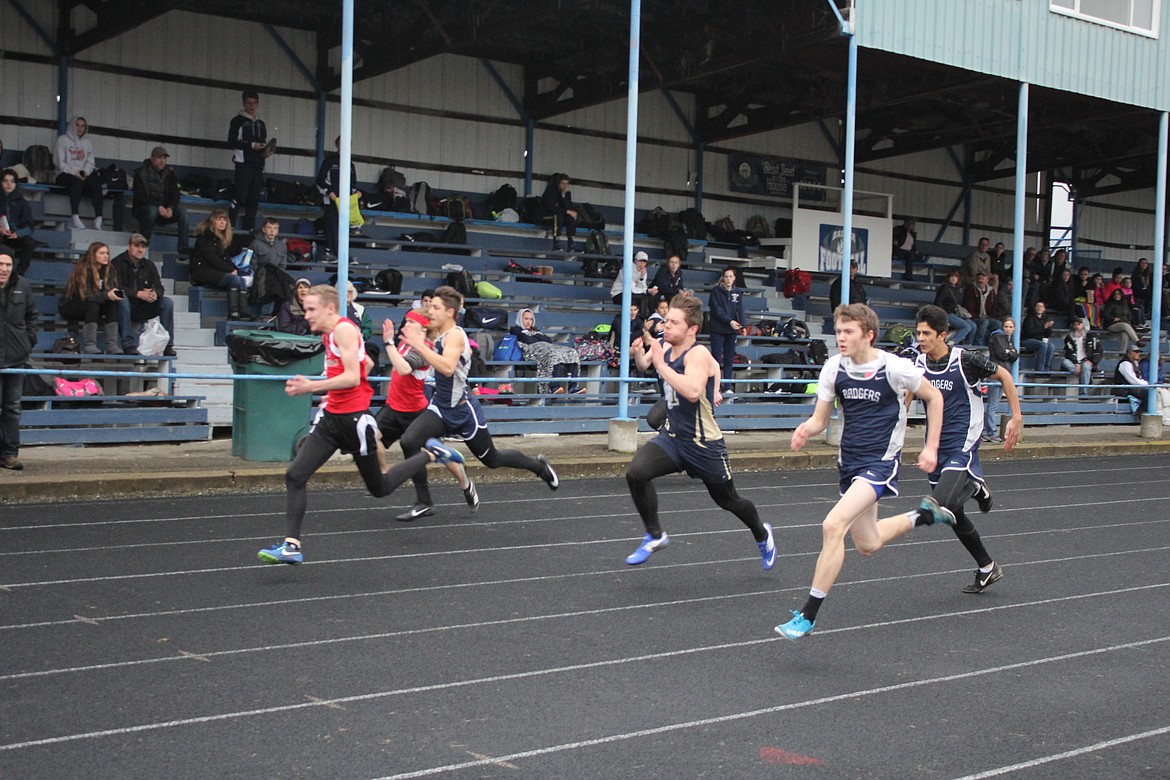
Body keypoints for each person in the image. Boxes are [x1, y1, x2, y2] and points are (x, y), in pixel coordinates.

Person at [257, 285, 461, 565]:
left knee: (381, 488)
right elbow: (363, 364)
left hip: (354, 422)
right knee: (295, 475)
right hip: (332, 419)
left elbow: (353, 376)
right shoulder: (330, 334)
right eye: (305, 309)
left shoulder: (344, 329)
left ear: (330, 308)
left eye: (312, 309)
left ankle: (430, 454)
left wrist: (314, 386)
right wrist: (333, 391)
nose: (307, 316)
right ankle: (292, 545)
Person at [775, 303, 944, 640]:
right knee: (868, 543)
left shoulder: (894, 368)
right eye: (838, 331)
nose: (840, 337)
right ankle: (925, 515)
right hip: (849, 461)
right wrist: (805, 430)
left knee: (833, 524)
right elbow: (821, 420)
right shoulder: (833, 368)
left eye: (848, 331)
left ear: (868, 335)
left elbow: (934, 397)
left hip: (880, 462)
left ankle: (808, 615)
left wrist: (931, 447)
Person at [622, 293, 776, 568]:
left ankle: (762, 534)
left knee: (729, 501)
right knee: (636, 473)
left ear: (692, 329)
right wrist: (638, 354)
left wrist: (660, 364)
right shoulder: (662, 344)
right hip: (673, 438)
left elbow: (693, 391)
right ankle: (655, 535)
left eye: (673, 323)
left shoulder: (699, 354)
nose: (666, 326)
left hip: (704, 444)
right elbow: (645, 364)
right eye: (666, 320)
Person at [894, 305, 1022, 593]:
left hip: (964, 438)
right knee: (955, 514)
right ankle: (987, 567)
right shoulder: (918, 364)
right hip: (935, 442)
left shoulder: (966, 361)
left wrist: (1016, 417)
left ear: (943, 334)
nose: (921, 338)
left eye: (926, 333)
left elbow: (1005, 376)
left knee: (936, 505)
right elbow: (909, 393)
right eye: (918, 333)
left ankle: (974, 486)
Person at [395, 285, 560, 491]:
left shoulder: (455, 335)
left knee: (492, 459)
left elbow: (447, 368)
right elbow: (418, 328)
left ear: (450, 312)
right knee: (409, 441)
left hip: (463, 411)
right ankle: (423, 500)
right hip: (440, 407)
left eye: (436, 307)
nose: (431, 311)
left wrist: (418, 345)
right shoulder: (437, 330)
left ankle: (539, 467)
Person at [376, 310, 478, 521]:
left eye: (412, 322)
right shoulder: (404, 343)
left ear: (423, 328)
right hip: (393, 408)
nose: (406, 323)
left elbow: (404, 368)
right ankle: (384, 475)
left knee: (438, 453)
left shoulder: (425, 349)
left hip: (415, 411)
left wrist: (388, 343)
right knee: (370, 437)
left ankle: (465, 484)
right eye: (407, 320)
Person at [0, 250, 37, 471]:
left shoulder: (23, 286)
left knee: (12, 407)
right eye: (0, 264)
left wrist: (28, 341)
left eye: (8, 264)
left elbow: (32, 316)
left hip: (15, 358)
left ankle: (9, 454)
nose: (4, 269)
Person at [111, 234, 176, 356]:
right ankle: (128, 345)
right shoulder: (117, 263)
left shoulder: (149, 265)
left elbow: (159, 287)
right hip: (123, 306)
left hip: (143, 306)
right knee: (121, 298)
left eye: (143, 246)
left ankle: (167, 345)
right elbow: (116, 287)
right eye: (137, 246)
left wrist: (155, 294)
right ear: (129, 247)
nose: (140, 250)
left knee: (167, 303)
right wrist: (138, 294)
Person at [57, 242, 122, 354]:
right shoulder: (83, 269)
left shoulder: (110, 270)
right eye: (102, 253)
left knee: (111, 305)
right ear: (93, 255)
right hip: (72, 305)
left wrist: (113, 295)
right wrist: (106, 295)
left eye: (107, 253)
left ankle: (112, 345)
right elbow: (86, 295)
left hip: (95, 304)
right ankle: (89, 344)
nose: (106, 256)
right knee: (92, 305)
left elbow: (109, 291)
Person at [189, 207, 252, 320]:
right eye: (219, 219)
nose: (222, 222)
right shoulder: (205, 237)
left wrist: (235, 269)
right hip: (202, 271)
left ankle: (242, 312)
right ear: (212, 221)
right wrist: (230, 270)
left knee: (241, 279)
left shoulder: (220, 239)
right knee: (234, 279)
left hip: (215, 271)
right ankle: (233, 313)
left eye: (224, 219)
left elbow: (225, 258)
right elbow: (212, 258)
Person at [510, 308, 584, 394]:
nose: (528, 322)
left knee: (572, 353)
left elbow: (548, 340)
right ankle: (553, 387)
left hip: (546, 349)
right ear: (520, 319)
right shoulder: (516, 330)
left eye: (530, 319)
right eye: (526, 319)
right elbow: (528, 340)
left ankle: (573, 386)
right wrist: (537, 337)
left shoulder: (535, 330)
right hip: (532, 353)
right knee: (554, 355)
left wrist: (535, 336)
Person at [228, 89, 270, 232]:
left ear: (257, 104)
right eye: (248, 103)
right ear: (244, 103)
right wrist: (252, 146)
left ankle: (249, 229)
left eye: (254, 103)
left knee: (254, 200)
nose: (251, 106)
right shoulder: (237, 121)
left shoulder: (261, 123)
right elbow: (232, 142)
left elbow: (262, 143)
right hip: (243, 164)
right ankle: (230, 226)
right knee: (239, 197)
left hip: (258, 166)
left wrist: (266, 151)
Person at [132, 146, 188, 252]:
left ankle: (183, 247)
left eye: (164, 158)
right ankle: (144, 242)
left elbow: (175, 194)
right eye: (159, 158)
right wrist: (158, 207)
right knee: (152, 211)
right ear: (152, 158)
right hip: (144, 211)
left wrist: (171, 207)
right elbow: (140, 197)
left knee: (183, 213)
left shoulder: (170, 174)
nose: (162, 161)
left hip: (164, 212)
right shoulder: (141, 173)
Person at [54, 116, 104, 230]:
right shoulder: (62, 140)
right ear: (72, 126)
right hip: (64, 174)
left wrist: (85, 172)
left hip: (82, 174)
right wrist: (73, 172)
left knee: (96, 185)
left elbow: (90, 162)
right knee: (76, 183)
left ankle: (98, 217)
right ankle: (75, 216)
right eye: (77, 125)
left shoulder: (88, 143)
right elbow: (59, 162)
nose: (80, 128)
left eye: (82, 126)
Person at [315, 136, 359, 259]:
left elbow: (353, 184)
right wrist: (329, 193)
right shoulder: (329, 161)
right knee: (332, 226)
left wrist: (355, 194)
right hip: (331, 201)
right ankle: (330, 253)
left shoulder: (351, 164)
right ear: (337, 145)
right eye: (341, 143)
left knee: (344, 228)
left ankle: (343, 255)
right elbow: (320, 181)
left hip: (346, 203)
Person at [708, 266, 745, 394]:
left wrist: (743, 325)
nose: (728, 279)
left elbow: (740, 309)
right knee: (716, 358)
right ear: (723, 278)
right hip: (717, 329)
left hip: (732, 330)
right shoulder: (716, 292)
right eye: (726, 276)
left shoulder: (738, 292)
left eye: (731, 276)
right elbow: (717, 311)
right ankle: (715, 387)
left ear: (734, 278)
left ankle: (728, 387)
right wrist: (730, 322)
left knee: (729, 359)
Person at [983, 317, 1018, 442]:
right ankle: (990, 432)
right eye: (1006, 326)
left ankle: (986, 431)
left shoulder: (1009, 340)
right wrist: (1009, 352)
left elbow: (1015, 355)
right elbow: (1001, 354)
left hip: (1003, 375)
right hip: (995, 374)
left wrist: (1010, 352)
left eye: (1010, 327)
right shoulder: (997, 337)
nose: (1008, 329)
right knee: (992, 405)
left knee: (993, 404)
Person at [1, 169, 39, 276]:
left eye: (12, 181)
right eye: (5, 181)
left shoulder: (22, 203)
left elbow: (29, 225)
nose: (9, 184)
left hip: (15, 236)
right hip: (1, 235)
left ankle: (18, 274)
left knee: (29, 243)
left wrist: (18, 233)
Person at [933, 268, 976, 345]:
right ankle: (952, 342)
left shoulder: (958, 289)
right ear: (948, 278)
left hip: (956, 313)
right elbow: (938, 302)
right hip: (947, 313)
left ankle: (967, 344)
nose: (954, 278)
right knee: (966, 327)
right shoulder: (944, 288)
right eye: (952, 276)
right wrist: (942, 316)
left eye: (956, 277)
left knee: (973, 326)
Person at [539, 173, 578, 251]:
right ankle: (556, 243)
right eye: (562, 183)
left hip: (559, 218)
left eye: (567, 184)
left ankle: (571, 245)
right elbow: (551, 208)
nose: (565, 186)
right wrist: (567, 211)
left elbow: (569, 207)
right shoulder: (550, 191)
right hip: (545, 217)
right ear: (558, 183)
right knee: (558, 216)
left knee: (570, 218)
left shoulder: (565, 193)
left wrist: (564, 196)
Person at [1061, 317, 1103, 389]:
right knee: (1065, 362)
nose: (1076, 327)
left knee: (1086, 366)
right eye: (1075, 325)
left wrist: (1092, 361)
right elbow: (1068, 353)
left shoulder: (1092, 337)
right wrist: (1076, 363)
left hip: (1087, 361)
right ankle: (1087, 378)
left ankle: (1083, 393)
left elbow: (1099, 352)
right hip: (1074, 362)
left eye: (1078, 324)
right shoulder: (1069, 338)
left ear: (1083, 325)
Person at [962, 270, 1000, 346]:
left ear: (987, 280)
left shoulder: (991, 291)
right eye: (979, 278)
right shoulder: (971, 289)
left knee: (997, 324)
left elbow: (993, 307)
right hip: (973, 317)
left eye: (982, 278)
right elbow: (968, 307)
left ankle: (989, 343)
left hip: (986, 316)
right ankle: (977, 345)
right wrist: (976, 316)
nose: (980, 280)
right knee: (984, 322)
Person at [1102, 288, 1142, 354]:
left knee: (1125, 334)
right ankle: (1137, 341)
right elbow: (1105, 314)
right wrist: (1113, 318)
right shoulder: (1110, 303)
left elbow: (1129, 314)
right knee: (1125, 325)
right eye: (1115, 294)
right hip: (1112, 324)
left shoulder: (1125, 304)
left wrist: (1128, 320)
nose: (1116, 295)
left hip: (1124, 324)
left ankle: (1121, 353)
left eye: (1118, 294)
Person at [1020, 300, 1056, 370]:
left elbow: (1048, 334)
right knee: (1043, 345)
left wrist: (1049, 328)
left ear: (1044, 309)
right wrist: (1044, 328)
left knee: (1051, 346)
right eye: (1037, 306)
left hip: (1040, 339)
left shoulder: (1045, 318)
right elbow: (1029, 332)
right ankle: (1040, 369)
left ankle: (1047, 369)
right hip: (1027, 340)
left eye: (1041, 306)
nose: (1039, 308)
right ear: (1034, 308)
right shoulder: (1029, 318)